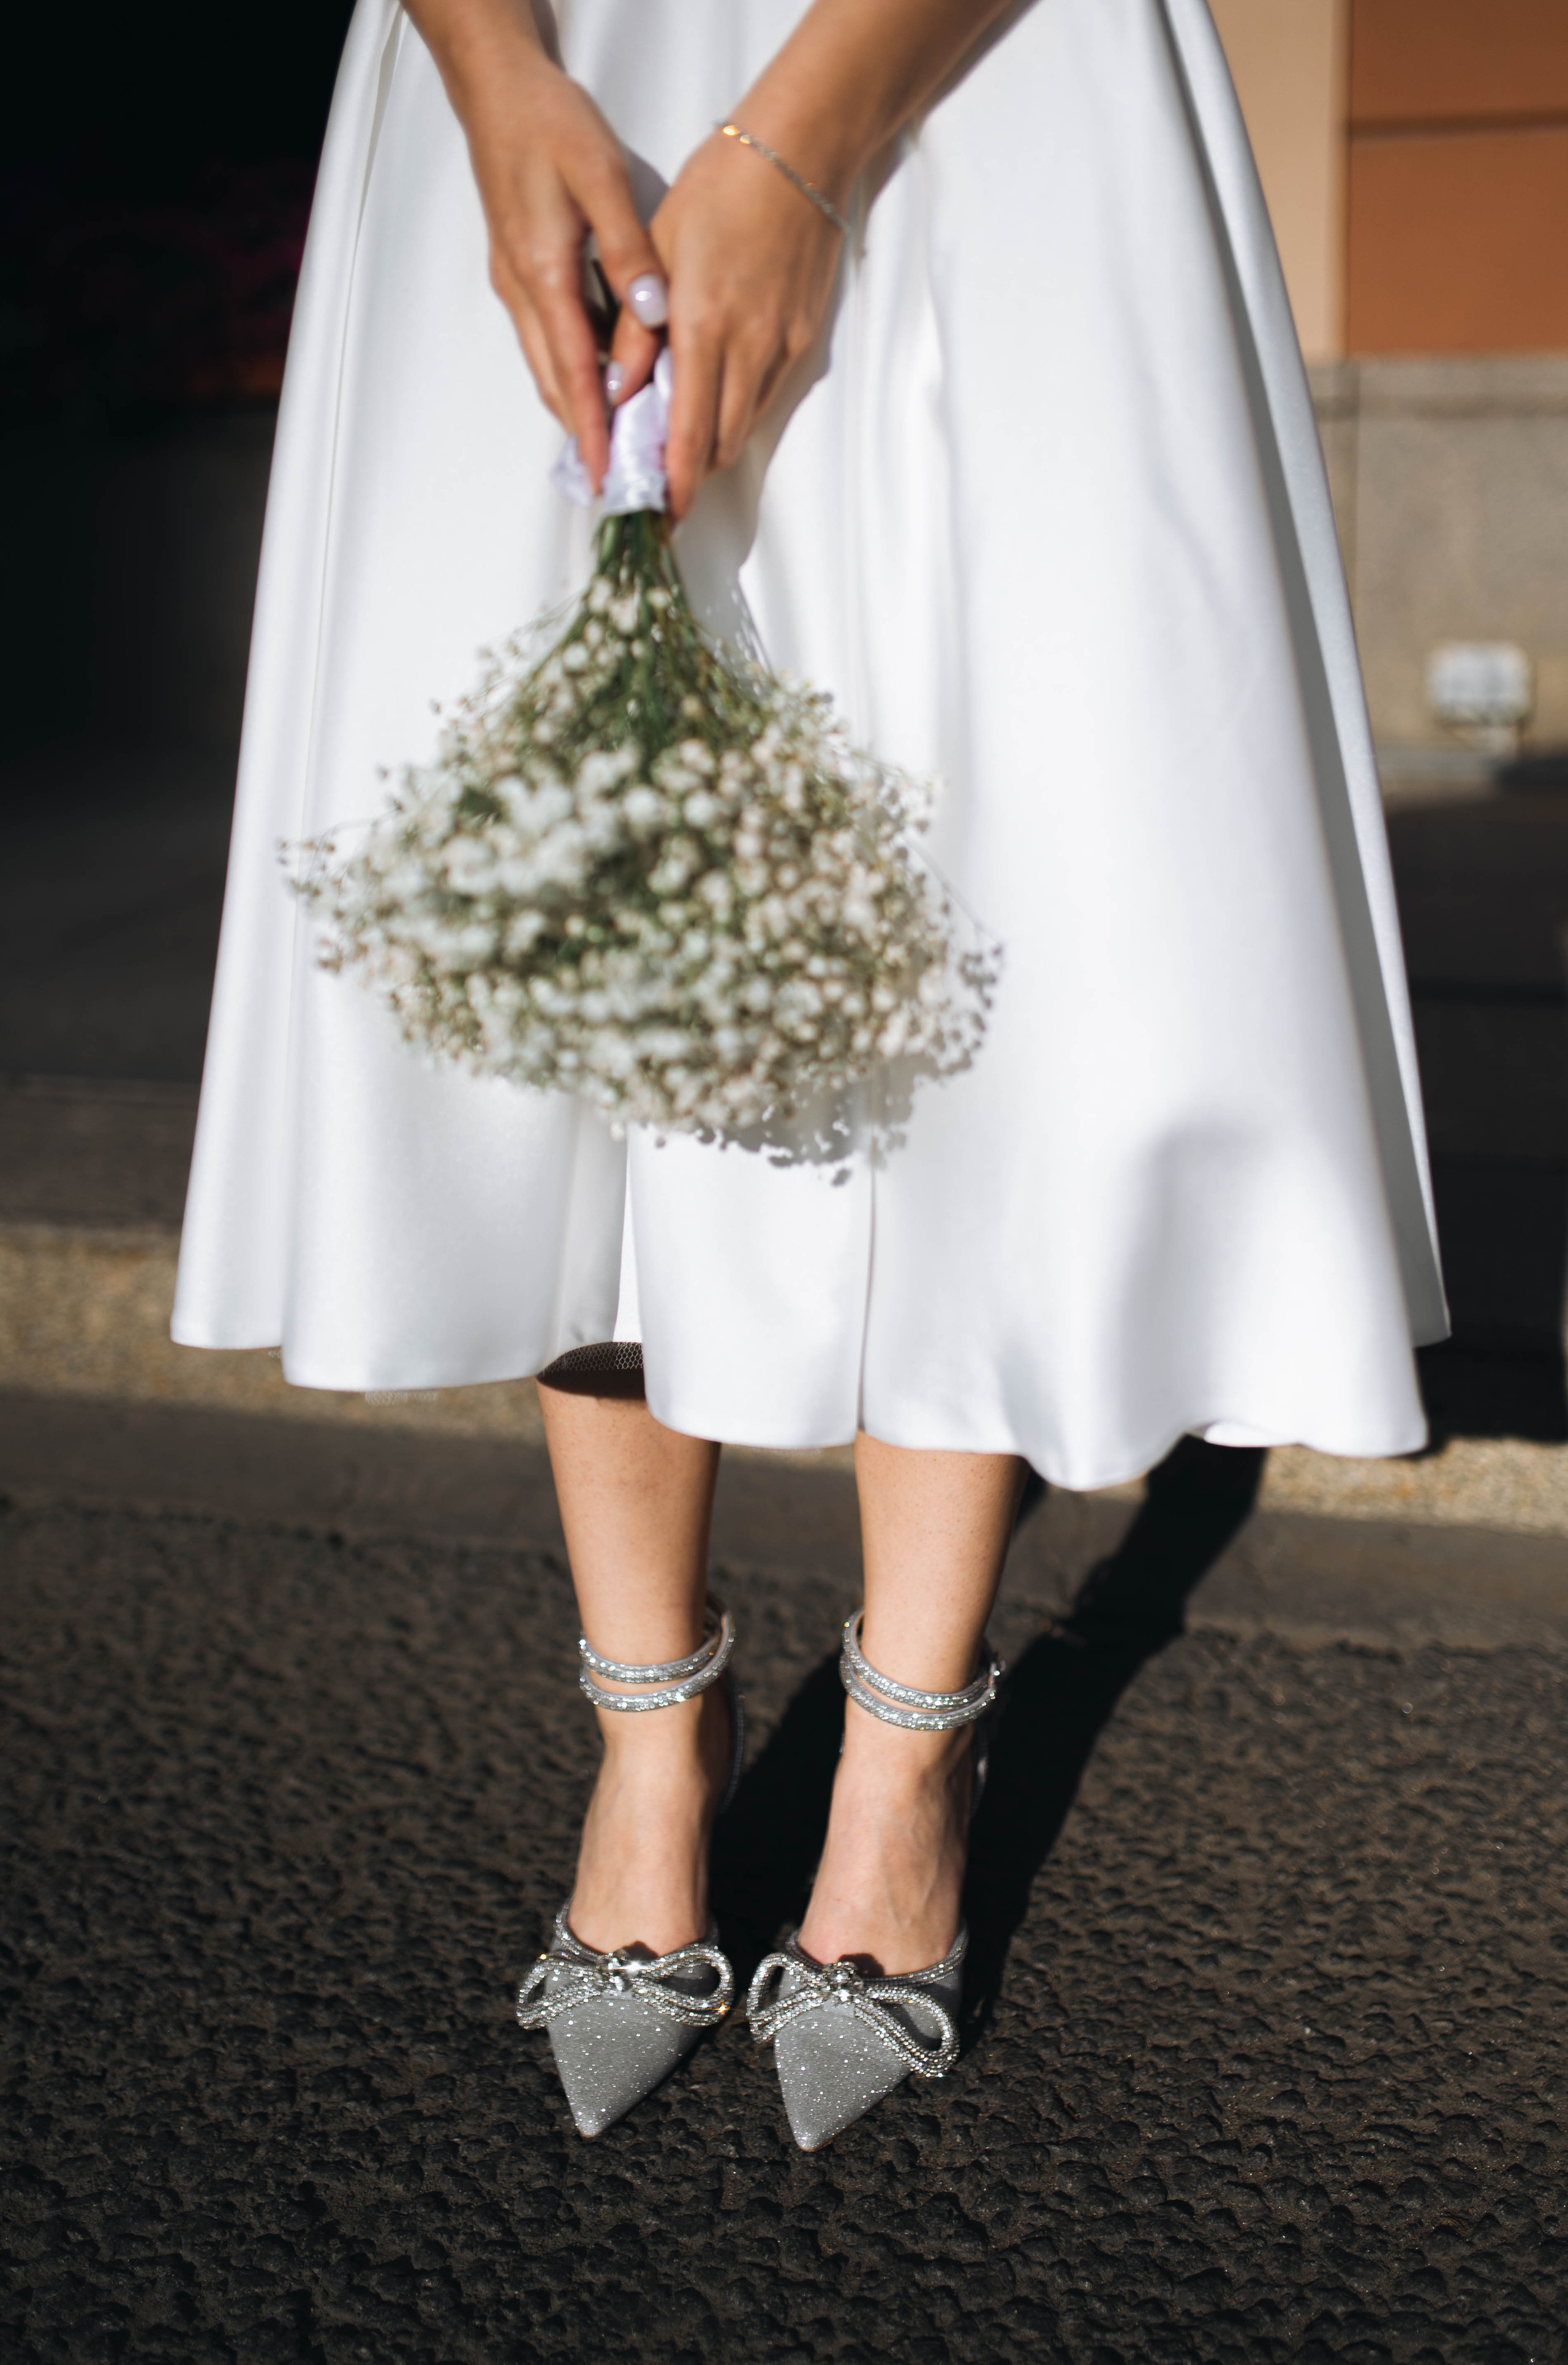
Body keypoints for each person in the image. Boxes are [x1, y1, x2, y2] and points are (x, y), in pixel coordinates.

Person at [172, 0, 1447, 2149]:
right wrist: (491, 75)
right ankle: (650, 1741)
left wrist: (804, 145)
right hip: (544, 61)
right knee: (571, 898)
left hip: (960, 74)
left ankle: (906, 1751)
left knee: (984, 878)